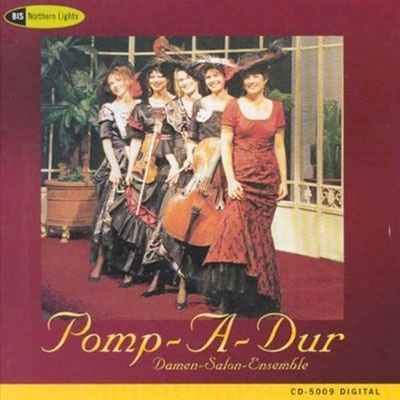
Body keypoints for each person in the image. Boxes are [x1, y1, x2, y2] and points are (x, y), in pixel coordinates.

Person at [202, 47, 287, 317]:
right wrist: (231, 180)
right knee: (232, 236)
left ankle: (257, 298)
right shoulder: (233, 106)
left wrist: (284, 180)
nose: (251, 81)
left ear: (265, 79)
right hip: (240, 181)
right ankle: (227, 301)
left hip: (267, 182)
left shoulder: (277, 108)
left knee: (259, 237)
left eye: (256, 76)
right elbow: (225, 146)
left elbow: (279, 147)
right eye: (247, 77)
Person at [166, 57, 236, 309]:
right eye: (208, 77)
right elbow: (192, 138)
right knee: (186, 225)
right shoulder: (200, 104)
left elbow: (234, 141)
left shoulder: (235, 104)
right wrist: (192, 157)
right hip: (201, 171)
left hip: (224, 175)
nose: (212, 80)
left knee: (220, 233)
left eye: (216, 75)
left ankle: (216, 288)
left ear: (225, 77)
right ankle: (184, 283)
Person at [110, 58, 181, 288]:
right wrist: (131, 168)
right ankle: (133, 268)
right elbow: (135, 140)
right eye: (152, 76)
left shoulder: (177, 104)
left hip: (170, 165)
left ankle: (159, 274)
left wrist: (177, 165)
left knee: (162, 219)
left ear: (167, 79)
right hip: (145, 164)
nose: (156, 80)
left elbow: (181, 138)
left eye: (160, 76)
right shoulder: (141, 108)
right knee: (137, 215)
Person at [140, 62, 206, 305]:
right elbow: (164, 141)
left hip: (205, 163)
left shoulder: (207, 104)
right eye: (180, 80)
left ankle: (191, 281)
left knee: (198, 222)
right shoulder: (171, 107)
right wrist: (175, 164)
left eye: (188, 79)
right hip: (178, 164)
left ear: (196, 80)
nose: (184, 83)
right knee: (168, 218)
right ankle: (159, 275)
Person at [88, 60, 140, 282]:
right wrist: (116, 168)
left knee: (133, 212)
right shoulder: (108, 109)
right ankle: (101, 259)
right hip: (116, 160)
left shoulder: (140, 106)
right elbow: (106, 141)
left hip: (138, 160)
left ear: (128, 80)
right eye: (111, 84)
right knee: (108, 210)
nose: (115, 86)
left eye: (118, 81)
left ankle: (129, 265)